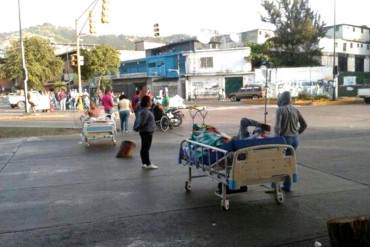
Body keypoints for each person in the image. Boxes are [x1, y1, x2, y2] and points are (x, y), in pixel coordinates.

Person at [274, 91, 307, 192]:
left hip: (284, 139)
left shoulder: (280, 110)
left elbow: (278, 127)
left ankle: (274, 184)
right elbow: (304, 125)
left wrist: (275, 139)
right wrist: (296, 133)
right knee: (289, 162)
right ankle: (287, 186)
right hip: (295, 140)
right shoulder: (295, 109)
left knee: (277, 162)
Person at [136, 95, 158, 169]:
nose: (151, 102)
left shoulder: (145, 110)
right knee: (146, 148)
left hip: (145, 131)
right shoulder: (145, 111)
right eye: (150, 101)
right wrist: (139, 127)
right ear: (147, 102)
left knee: (144, 148)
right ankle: (148, 163)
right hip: (147, 131)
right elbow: (143, 122)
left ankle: (144, 163)